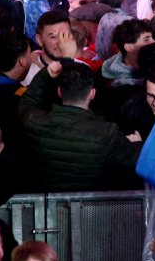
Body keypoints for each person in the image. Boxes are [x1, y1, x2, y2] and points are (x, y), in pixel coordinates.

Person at [17, 30, 141, 192]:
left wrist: (51, 71)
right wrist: (137, 144)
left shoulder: (38, 123)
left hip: (47, 209)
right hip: (89, 212)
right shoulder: (107, 133)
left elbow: (28, 102)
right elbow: (135, 162)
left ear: (60, 91)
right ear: (92, 94)